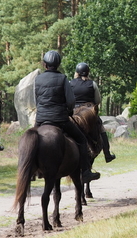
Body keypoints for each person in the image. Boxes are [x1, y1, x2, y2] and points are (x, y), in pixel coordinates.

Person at [34, 51, 100, 184]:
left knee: (31, 139)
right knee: (81, 139)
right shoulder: (63, 78)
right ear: (58, 64)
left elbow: (36, 100)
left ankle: (32, 169)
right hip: (60, 119)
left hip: (40, 118)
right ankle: (86, 172)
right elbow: (70, 101)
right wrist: (69, 111)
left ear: (44, 64)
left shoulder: (38, 79)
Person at [70, 62, 116, 163]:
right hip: (88, 112)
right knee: (101, 129)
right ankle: (107, 154)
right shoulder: (92, 84)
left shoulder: (70, 83)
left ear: (77, 73)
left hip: (74, 113)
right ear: (87, 73)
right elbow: (98, 100)